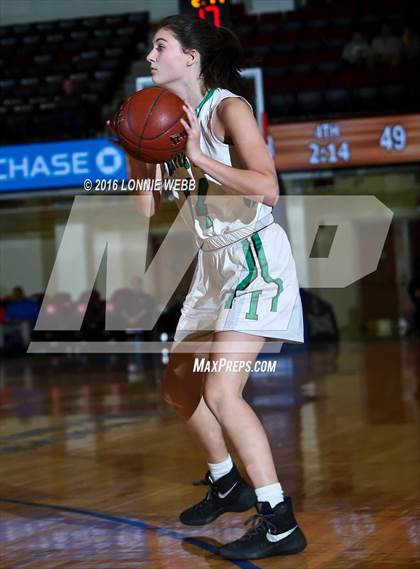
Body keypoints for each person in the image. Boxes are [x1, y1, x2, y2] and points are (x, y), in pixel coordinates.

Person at [109, 14, 307, 560]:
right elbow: (144, 209)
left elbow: (268, 189)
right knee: (179, 392)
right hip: (210, 268)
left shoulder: (227, 109)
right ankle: (226, 483)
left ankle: (278, 520)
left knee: (221, 392)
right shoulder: (161, 121)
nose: (150, 58)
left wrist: (199, 160)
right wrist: (134, 153)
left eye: (161, 47)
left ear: (190, 58)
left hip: (254, 258)